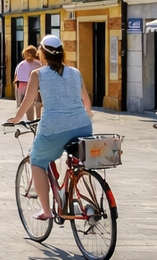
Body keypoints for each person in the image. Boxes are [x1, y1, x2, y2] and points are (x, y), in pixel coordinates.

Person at [7, 35, 93, 220]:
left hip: (54, 128)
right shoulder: (75, 72)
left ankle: (46, 211)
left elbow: (27, 101)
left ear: (42, 53)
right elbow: (87, 102)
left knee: (37, 160)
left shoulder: (38, 74)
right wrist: (87, 114)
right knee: (75, 161)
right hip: (83, 127)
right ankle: (76, 192)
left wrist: (16, 118)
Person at [13, 46, 42, 121]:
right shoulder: (38, 64)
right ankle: (38, 119)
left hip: (22, 85)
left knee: (28, 103)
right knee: (37, 103)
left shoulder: (21, 64)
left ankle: (31, 121)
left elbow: (16, 77)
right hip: (37, 86)